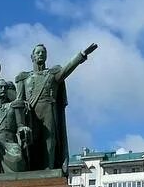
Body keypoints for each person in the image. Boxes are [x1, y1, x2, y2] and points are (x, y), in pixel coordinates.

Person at [14, 42, 97, 173]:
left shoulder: (52, 74)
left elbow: (67, 69)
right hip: (31, 113)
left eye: (43, 52)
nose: (41, 54)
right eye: (38, 52)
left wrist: (81, 55)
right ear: (32, 57)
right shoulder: (24, 78)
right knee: (31, 142)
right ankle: (31, 169)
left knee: (49, 140)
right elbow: (18, 100)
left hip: (49, 110)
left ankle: (49, 169)